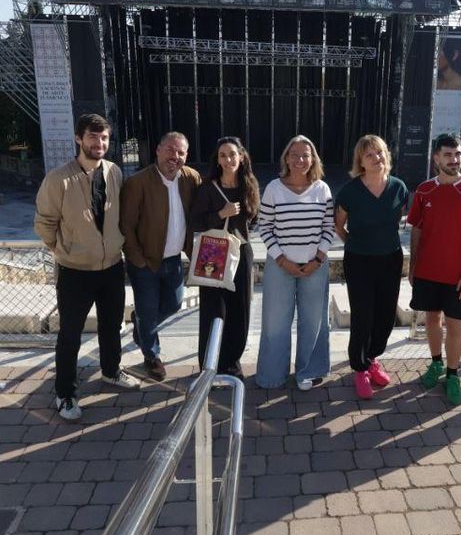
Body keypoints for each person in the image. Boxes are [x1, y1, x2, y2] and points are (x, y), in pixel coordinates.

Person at [34, 114, 141, 422]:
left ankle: (110, 370)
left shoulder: (114, 172)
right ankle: (65, 393)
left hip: (110, 267)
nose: (100, 144)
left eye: (104, 138)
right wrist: (63, 249)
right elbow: (44, 223)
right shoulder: (58, 178)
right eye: (93, 138)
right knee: (70, 334)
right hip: (74, 271)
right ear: (79, 139)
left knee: (111, 326)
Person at [408, 133, 461, 406]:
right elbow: (416, 228)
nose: (454, 160)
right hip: (427, 271)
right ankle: (436, 364)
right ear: (436, 158)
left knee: (455, 324)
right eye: (448, 155)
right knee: (432, 320)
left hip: (457, 275)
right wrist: (413, 265)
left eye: (458, 155)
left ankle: (453, 375)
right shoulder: (424, 190)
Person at [120, 132, 202, 382]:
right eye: (170, 150)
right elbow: (126, 225)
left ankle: (142, 323)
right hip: (145, 262)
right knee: (148, 308)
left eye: (180, 152)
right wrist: (137, 259)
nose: (174, 156)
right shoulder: (138, 183)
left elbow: (207, 205)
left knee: (174, 304)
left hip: (174, 259)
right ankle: (152, 356)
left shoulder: (191, 178)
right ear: (157, 150)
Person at [255, 135, 334, 390]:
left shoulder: (322, 189)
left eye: (305, 155)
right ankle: (272, 374)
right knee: (275, 322)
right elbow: (264, 226)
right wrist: (281, 258)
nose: (300, 160)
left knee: (313, 320)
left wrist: (318, 259)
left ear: (313, 160)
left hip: (315, 266)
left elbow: (329, 227)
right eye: (295, 154)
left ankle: (308, 372)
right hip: (280, 266)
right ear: (286, 158)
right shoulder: (273, 188)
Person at [334, 135, 409, 399]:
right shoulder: (350, 190)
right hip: (359, 260)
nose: (376, 158)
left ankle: (373, 358)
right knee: (363, 316)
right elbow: (338, 224)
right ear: (360, 162)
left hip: (390, 259)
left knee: (385, 316)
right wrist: (352, 242)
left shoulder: (399, 187)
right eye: (369, 155)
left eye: (379, 152)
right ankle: (359, 368)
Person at [188, 137, 260, 378]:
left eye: (232, 154)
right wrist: (222, 213)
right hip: (214, 251)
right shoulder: (208, 187)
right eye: (222, 155)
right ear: (217, 160)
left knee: (240, 309)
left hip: (242, 251)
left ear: (241, 157)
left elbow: (255, 218)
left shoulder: (249, 184)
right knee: (213, 309)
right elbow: (195, 222)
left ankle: (231, 361)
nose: (228, 160)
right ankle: (210, 364)